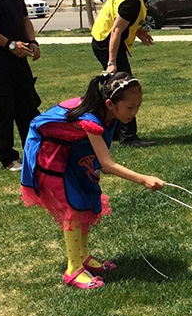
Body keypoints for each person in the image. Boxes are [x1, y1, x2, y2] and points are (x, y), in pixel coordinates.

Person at [20, 72, 165, 289]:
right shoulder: (89, 119)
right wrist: (144, 179)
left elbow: (100, 157)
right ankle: (73, 269)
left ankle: (83, 256)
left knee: (88, 198)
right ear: (110, 104)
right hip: (50, 154)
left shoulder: (108, 113)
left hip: (71, 151)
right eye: (130, 107)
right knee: (74, 205)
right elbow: (107, 165)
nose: (134, 112)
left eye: (138, 106)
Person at [91, 0, 161, 147]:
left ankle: (112, 131)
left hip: (105, 40)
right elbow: (116, 30)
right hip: (108, 42)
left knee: (114, 89)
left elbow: (122, 20)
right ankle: (128, 137)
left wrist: (138, 30)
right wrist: (112, 62)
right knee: (125, 88)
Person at [0, 0, 42, 172]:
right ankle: (8, 158)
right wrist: (10, 44)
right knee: (2, 110)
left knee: (28, 106)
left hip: (19, 60)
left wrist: (32, 42)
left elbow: (24, 19)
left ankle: (34, 150)